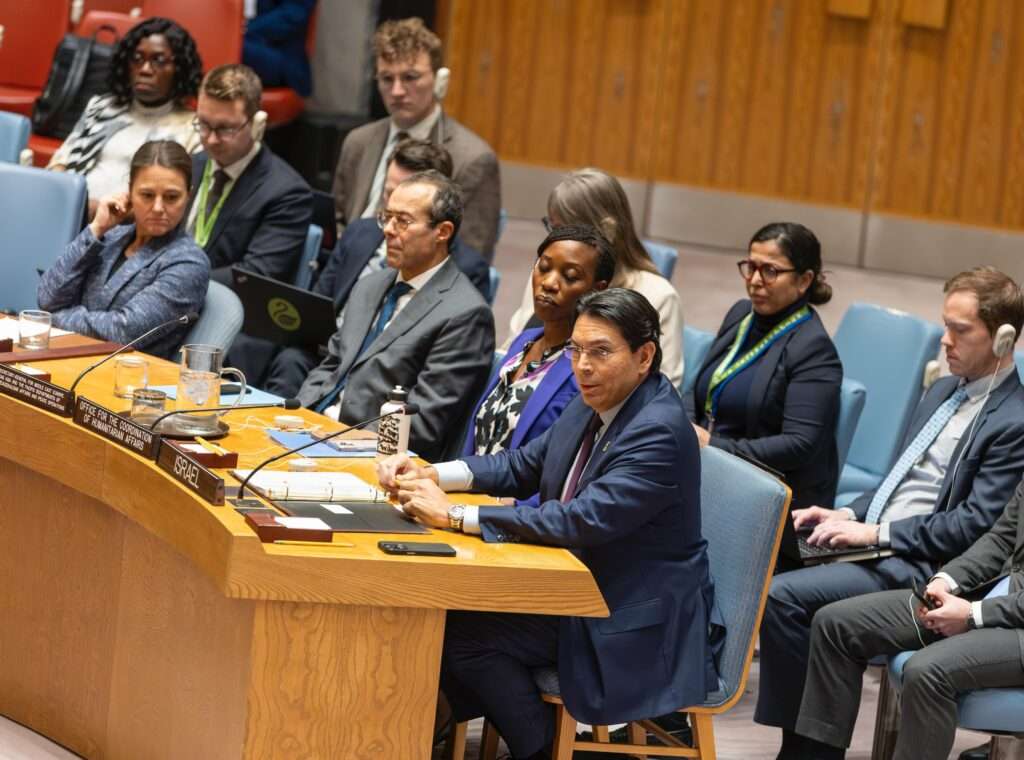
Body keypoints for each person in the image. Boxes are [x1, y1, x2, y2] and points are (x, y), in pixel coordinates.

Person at [377, 288, 718, 760]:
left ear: (644, 357)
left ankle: (539, 750)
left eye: (600, 352)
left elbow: (582, 519)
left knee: (463, 634)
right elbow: (523, 464)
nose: (583, 366)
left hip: (630, 612)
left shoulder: (656, 429)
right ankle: (415, 731)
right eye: (576, 350)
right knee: (441, 613)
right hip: (579, 584)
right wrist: (434, 473)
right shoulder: (596, 398)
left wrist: (455, 515)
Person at [754, 267, 1024, 758]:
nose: (944, 341)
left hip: (915, 562)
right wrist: (846, 513)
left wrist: (877, 535)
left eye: (960, 330)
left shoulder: (1012, 421)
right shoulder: (944, 390)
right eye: (944, 325)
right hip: (882, 543)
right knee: (766, 550)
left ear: (1003, 339)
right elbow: (895, 481)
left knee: (784, 598)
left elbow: (972, 526)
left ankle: (804, 751)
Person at [790, 483, 1024, 760]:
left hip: (1014, 624)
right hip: (999, 596)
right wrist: (945, 581)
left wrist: (973, 614)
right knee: (835, 625)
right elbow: (1000, 539)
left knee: (927, 671)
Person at [263, 138, 488, 395]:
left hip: (384, 389)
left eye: (403, 219)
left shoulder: (464, 294)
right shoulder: (366, 269)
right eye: (388, 201)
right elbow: (321, 312)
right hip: (331, 358)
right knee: (286, 358)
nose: (388, 229)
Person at [296, 171, 494, 460]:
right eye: (386, 217)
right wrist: (298, 416)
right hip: (313, 431)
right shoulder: (369, 286)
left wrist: (340, 442)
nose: (388, 230)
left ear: (442, 231)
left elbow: (422, 424)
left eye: (403, 221)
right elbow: (332, 365)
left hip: (370, 455)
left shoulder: (465, 314)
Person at [688, 222, 842, 511]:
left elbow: (798, 444)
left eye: (770, 271)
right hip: (710, 467)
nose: (755, 280)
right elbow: (700, 386)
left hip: (765, 493)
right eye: (751, 267)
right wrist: (686, 428)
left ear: (804, 280)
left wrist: (715, 447)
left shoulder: (814, 350)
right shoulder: (740, 314)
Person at [332, 17, 501, 260]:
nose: (397, 91)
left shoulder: (473, 160)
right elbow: (337, 222)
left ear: (440, 81)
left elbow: (471, 258)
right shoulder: (358, 142)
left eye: (410, 77)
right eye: (387, 79)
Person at [505, 168, 684, 387]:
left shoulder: (658, 296)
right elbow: (510, 351)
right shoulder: (546, 274)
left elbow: (662, 389)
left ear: (606, 231)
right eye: (552, 227)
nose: (557, 240)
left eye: (565, 229)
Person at [37, 141, 210, 360]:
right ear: (129, 192)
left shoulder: (189, 262)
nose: (158, 208)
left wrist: (52, 318)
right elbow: (47, 298)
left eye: (171, 197)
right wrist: (96, 228)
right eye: (147, 195)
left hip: (128, 373)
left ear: (188, 196)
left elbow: (123, 331)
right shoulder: (112, 236)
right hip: (69, 356)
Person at [462, 224, 613, 461]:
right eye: (543, 268)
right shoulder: (524, 341)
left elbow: (560, 464)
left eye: (570, 276)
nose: (549, 283)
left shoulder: (586, 369)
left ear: (597, 289)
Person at [48, 18, 203, 215]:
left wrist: (97, 211)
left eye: (158, 60)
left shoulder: (192, 128)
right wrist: (63, 198)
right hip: (69, 213)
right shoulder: (101, 107)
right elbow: (59, 163)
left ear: (179, 69)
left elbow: (177, 203)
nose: (145, 69)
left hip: (132, 227)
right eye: (137, 58)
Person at [187, 63, 312, 286]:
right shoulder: (189, 165)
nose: (211, 140)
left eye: (225, 129)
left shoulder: (288, 194)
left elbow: (256, 274)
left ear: (257, 125)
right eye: (204, 124)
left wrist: (175, 281)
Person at [242, 0, 316, 96]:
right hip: (237, 45)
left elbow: (293, 14)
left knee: (233, 47)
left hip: (278, 56)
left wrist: (243, 31)